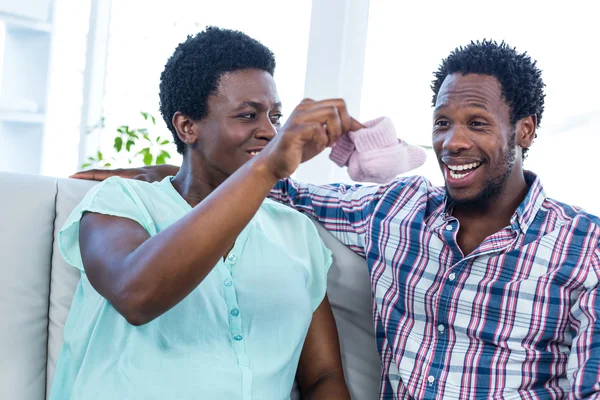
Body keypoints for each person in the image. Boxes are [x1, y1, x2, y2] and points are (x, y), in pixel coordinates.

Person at [74, 40, 600, 399]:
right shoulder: (395, 211)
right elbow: (272, 187)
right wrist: (161, 168)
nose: (452, 142)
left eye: (477, 123)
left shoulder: (585, 248)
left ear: (525, 131)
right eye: (442, 123)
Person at [50, 27, 359, 400]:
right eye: (248, 116)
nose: (269, 132)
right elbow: (136, 295)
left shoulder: (295, 232)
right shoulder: (120, 202)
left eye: (275, 117)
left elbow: (323, 376)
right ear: (187, 126)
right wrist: (266, 169)